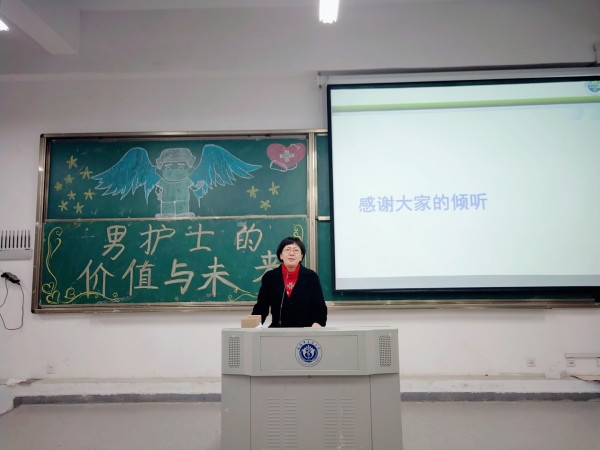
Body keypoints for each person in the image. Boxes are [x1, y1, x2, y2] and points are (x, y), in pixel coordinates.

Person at [252, 236, 327, 328]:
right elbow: (261, 307)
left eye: (296, 250)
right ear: (280, 255)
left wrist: (318, 323)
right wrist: (254, 326)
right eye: (287, 250)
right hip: (278, 330)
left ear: (301, 256)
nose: (291, 253)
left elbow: (320, 307)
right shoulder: (270, 277)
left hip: (305, 331)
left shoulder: (311, 277)